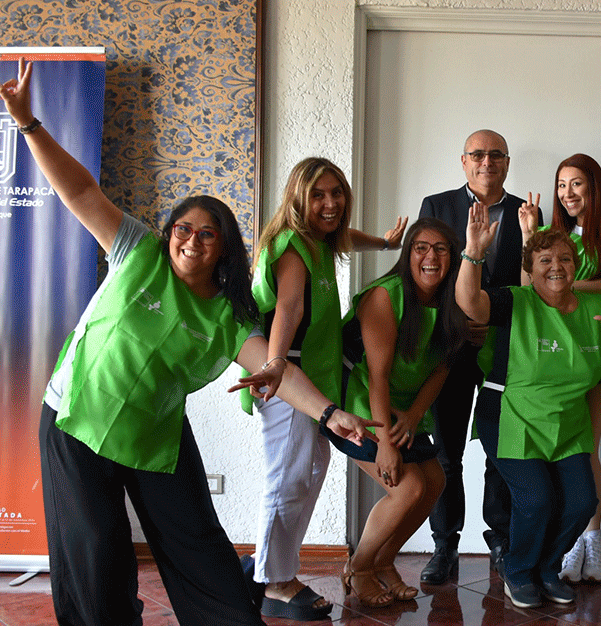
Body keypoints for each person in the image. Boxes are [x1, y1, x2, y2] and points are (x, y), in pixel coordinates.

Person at [1, 59, 377, 626]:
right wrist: (29, 124)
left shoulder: (228, 314)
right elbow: (78, 189)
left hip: (156, 432)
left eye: (208, 233)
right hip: (78, 418)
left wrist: (329, 414)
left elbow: (277, 368)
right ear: (169, 232)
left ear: (224, 249)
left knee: (199, 546)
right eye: (184, 228)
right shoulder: (138, 251)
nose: (192, 240)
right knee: (95, 557)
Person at [244, 157, 406, 621]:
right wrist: (274, 368)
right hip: (290, 377)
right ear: (299, 198)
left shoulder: (319, 240)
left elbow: (347, 238)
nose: (331, 203)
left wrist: (384, 242)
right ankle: (275, 583)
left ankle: (272, 566)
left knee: (309, 470)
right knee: (289, 477)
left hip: (310, 378)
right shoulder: (293, 245)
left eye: (337, 193)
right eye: (318, 194)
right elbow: (289, 309)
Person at [457, 202, 601, 608]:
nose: (556, 266)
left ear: (577, 265)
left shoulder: (598, 308)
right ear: (531, 266)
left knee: (581, 502)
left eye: (564, 258)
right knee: (535, 499)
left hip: (567, 421)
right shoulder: (513, 302)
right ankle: (518, 571)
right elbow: (470, 303)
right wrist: (473, 253)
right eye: (544, 259)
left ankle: (546, 567)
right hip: (510, 417)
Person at [417, 129, 542, 583]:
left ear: (507, 163)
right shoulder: (437, 206)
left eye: (495, 155)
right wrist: (457, 316)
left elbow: (532, 280)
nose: (486, 161)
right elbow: (426, 272)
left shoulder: (528, 213)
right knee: (447, 454)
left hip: (505, 349)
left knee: (499, 451)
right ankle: (444, 547)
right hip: (450, 345)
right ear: (463, 161)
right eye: (478, 154)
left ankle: (500, 541)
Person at [323, 218, 468, 607]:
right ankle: (360, 566)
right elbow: (377, 376)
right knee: (409, 488)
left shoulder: (454, 302)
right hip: (362, 405)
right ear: (408, 255)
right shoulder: (385, 297)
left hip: (405, 408)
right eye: (420, 247)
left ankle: (384, 562)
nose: (430, 256)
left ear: (453, 258)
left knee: (434, 481)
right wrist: (386, 441)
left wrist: (414, 413)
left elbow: (442, 369)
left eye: (440, 249)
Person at [519, 153, 601, 582]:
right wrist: (529, 238)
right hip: (556, 356)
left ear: (594, 186)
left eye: (577, 184)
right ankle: (575, 543)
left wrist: (559, 282)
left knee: (585, 447)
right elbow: (529, 292)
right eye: (561, 185)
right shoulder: (553, 235)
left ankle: (590, 544)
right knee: (563, 452)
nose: (568, 193)